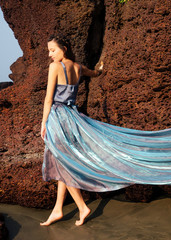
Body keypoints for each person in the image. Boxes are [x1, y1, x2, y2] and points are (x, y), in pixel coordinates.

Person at [40, 35, 102, 226]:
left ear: (64, 48)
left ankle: (82, 207)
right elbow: (94, 73)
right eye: (49, 51)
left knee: (62, 164)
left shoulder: (55, 67)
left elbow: (49, 99)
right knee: (63, 161)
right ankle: (58, 209)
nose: (50, 55)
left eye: (53, 50)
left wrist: (43, 123)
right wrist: (100, 69)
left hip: (57, 118)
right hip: (73, 118)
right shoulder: (78, 67)